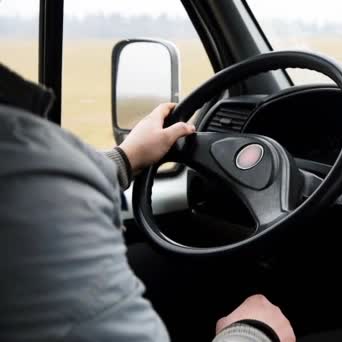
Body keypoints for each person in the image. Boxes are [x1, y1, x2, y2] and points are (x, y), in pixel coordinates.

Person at [0, 63, 294, 342]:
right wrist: (253, 333)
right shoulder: (20, 162)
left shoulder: (20, 161)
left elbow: (54, 188)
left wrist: (127, 157)